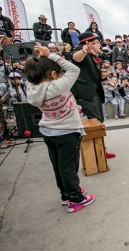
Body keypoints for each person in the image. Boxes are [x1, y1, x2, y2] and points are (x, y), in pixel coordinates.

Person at [25, 45, 95, 213]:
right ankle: (76, 199)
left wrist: (38, 61)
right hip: (67, 132)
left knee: (58, 166)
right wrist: (51, 55)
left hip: (49, 131)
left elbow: (32, 75)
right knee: (69, 167)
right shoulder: (57, 87)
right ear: (53, 75)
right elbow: (73, 69)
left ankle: (65, 194)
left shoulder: (31, 88)